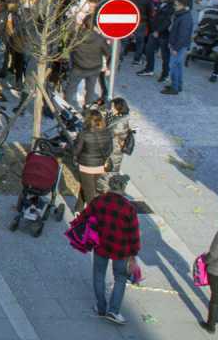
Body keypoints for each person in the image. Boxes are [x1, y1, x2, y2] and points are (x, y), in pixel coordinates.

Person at [69, 174, 140, 325]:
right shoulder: (129, 208)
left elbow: (83, 217)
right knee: (120, 278)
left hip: (101, 245)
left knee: (99, 274)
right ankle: (113, 311)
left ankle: (101, 307)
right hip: (121, 249)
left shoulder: (99, 201)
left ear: (110, 186)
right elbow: (134, 234)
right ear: (123, 188)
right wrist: (133, 254)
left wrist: (75, 228)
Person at [72, 109, 113, 211]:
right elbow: (110, 149)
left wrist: (69, 147)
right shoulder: (107, 132)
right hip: (100, 166)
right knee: (87, 188)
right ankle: (78, 208)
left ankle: (93, 217)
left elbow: (75, 151)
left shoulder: (84, 134)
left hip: (86, 167)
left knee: (89, 193)